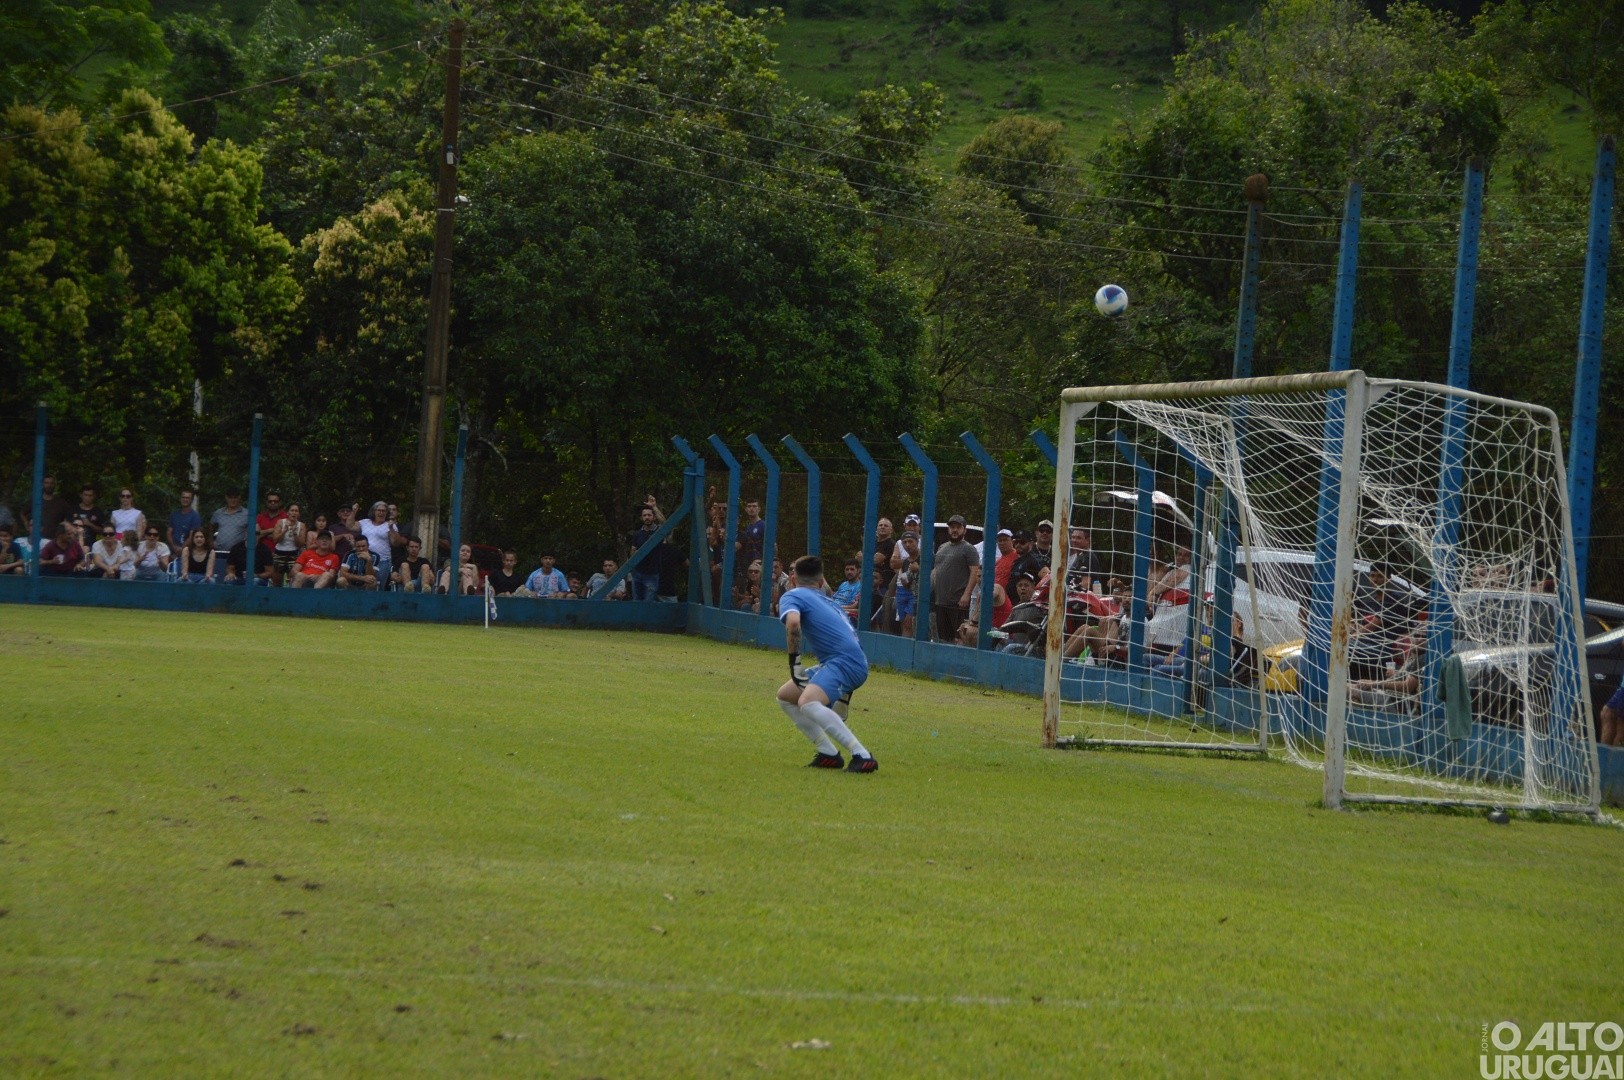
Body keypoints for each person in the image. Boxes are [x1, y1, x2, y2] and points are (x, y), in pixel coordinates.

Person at [775, 555, 877, 773]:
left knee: (808, 703)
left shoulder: (792, 595)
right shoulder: (829, 601)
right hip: (850, 660)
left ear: (792, 579)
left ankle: (862, 755)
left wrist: (795, 664)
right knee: (786, 696)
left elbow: (793, 623)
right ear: (821, 582)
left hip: (843, 663)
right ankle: (828, 752)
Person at [931, 514, 978, 643]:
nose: (955, 530)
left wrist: (966, 595)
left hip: (957, 602)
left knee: (958, 637)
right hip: (940, 600)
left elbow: (975, 572)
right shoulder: (941, 547)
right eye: (952, 527)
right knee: (942, 638)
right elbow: (935, 571)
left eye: (958, 527)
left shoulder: (969, 549)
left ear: (964, 530)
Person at [209, 490, 251, 584]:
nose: (233, 500)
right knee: (218, 576)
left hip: (238, 553)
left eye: (235, 497)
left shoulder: (247, 513)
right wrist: (211, 541)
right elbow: (211, 525)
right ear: (226, 498)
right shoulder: (218, 513)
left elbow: (251, 530)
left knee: (234, 579)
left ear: (239, 498)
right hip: (220, 551)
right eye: (230, 497)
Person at [626, 504, 662, 601]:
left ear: (653, 517)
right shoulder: (637, 534)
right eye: (644, 515)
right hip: (637, 573)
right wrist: (635, 553)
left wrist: (654, 507)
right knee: (636, 602)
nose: (647, 517)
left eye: (649, 515)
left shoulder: (659, 531)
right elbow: (632, 552)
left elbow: (665, 522)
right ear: (641, 518)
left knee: (648, 604)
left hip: (652, 574)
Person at [891, 529, 922, 638]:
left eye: (910, 541)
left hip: (917, 595)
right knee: (904, 623)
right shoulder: (905, 562)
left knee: (910, 622)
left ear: (917, 541)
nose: (907, 545)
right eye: (905, 542)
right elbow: (907, 583)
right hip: (903, 592)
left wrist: (918, 570)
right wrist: (905, 580)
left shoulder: (925, 558)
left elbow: (932, 577)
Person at [357, 502, 398, 584]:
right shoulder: (365, 522)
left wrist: (391, 528)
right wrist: (354, 511)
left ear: (386, 513)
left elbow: (395, 543)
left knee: (378, 585)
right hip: (364, 558)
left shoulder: (390, 525)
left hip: (383, 560)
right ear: (374, 511)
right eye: (379, 510)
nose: (381, 512)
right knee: (363, 584)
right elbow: (349, 526)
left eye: (384, 511)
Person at [269, 503, 304, 586]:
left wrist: (295, 533)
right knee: (277, 581)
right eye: (292, 510)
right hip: (279, 553)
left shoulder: (301, 525)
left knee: (292, 581)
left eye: (296, 511)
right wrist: (284, 531)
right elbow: (275, 540)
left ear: (299, 514)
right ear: (287, 513)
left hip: (294, 554)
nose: (294, 513)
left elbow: (301, 544)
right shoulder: (280, 522)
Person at [1064, 527, 1104, 594]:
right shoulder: (1080, 556)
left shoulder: (1087, 557)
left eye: (1078, 538)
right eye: (1073, 537)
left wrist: (1068, 591)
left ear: (1087, 540)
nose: (1074, 540)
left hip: (1082, 600)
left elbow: (1085, 584)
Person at [831, 557, 862, 624]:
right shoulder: (843, 584)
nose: (849, 572)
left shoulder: (860, 586)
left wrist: (835, 607)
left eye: (852, 569)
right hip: (834, 610)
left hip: (845, 615)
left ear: (858, 570)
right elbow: (833, 598)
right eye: (847, 569)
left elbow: (853, 606)